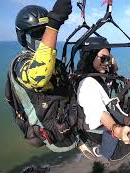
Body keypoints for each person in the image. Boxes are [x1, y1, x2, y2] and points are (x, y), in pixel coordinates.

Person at [6, 1, 97, 159]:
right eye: (37, 33)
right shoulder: (20, 64)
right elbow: (38, 77)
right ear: (23, 36)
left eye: (45, 31)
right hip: (52, 132)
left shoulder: (51, 61)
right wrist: (54, 22)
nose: (43, 37)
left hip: (67, 119)